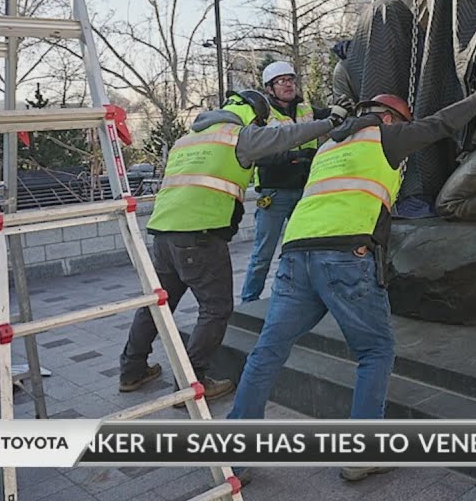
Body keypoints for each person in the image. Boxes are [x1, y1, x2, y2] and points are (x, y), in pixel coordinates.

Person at [227, 65, 476, 485]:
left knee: (268, 352)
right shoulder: (386, 134)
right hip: (344, 258)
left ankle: (233, 454)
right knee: (375, 351)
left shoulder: (328, 144)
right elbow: (441, 123)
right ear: (392, 117)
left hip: (295, 256)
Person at [118, 89, 348, 404]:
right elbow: (285, 136)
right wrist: (330, 121)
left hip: (163, 234)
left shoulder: (188, 139)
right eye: (260, 121)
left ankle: (131, 370)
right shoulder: (237, 135)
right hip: (201, 236)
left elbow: (268, 154)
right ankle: (192, 383)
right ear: (253, 115)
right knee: (215, 310)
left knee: (160, 305)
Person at [240, 61, 333, 304]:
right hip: (275, 193)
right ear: (269, 88)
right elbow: (257, 155)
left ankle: (306, 297)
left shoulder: (306, 109)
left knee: (307, 247)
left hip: (305, 192)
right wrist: (292, 156)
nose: (289, 85)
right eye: (282, 81)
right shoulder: (262, 116)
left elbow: (335, 119)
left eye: (291, 79)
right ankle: (248, 302)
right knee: (263, 253)